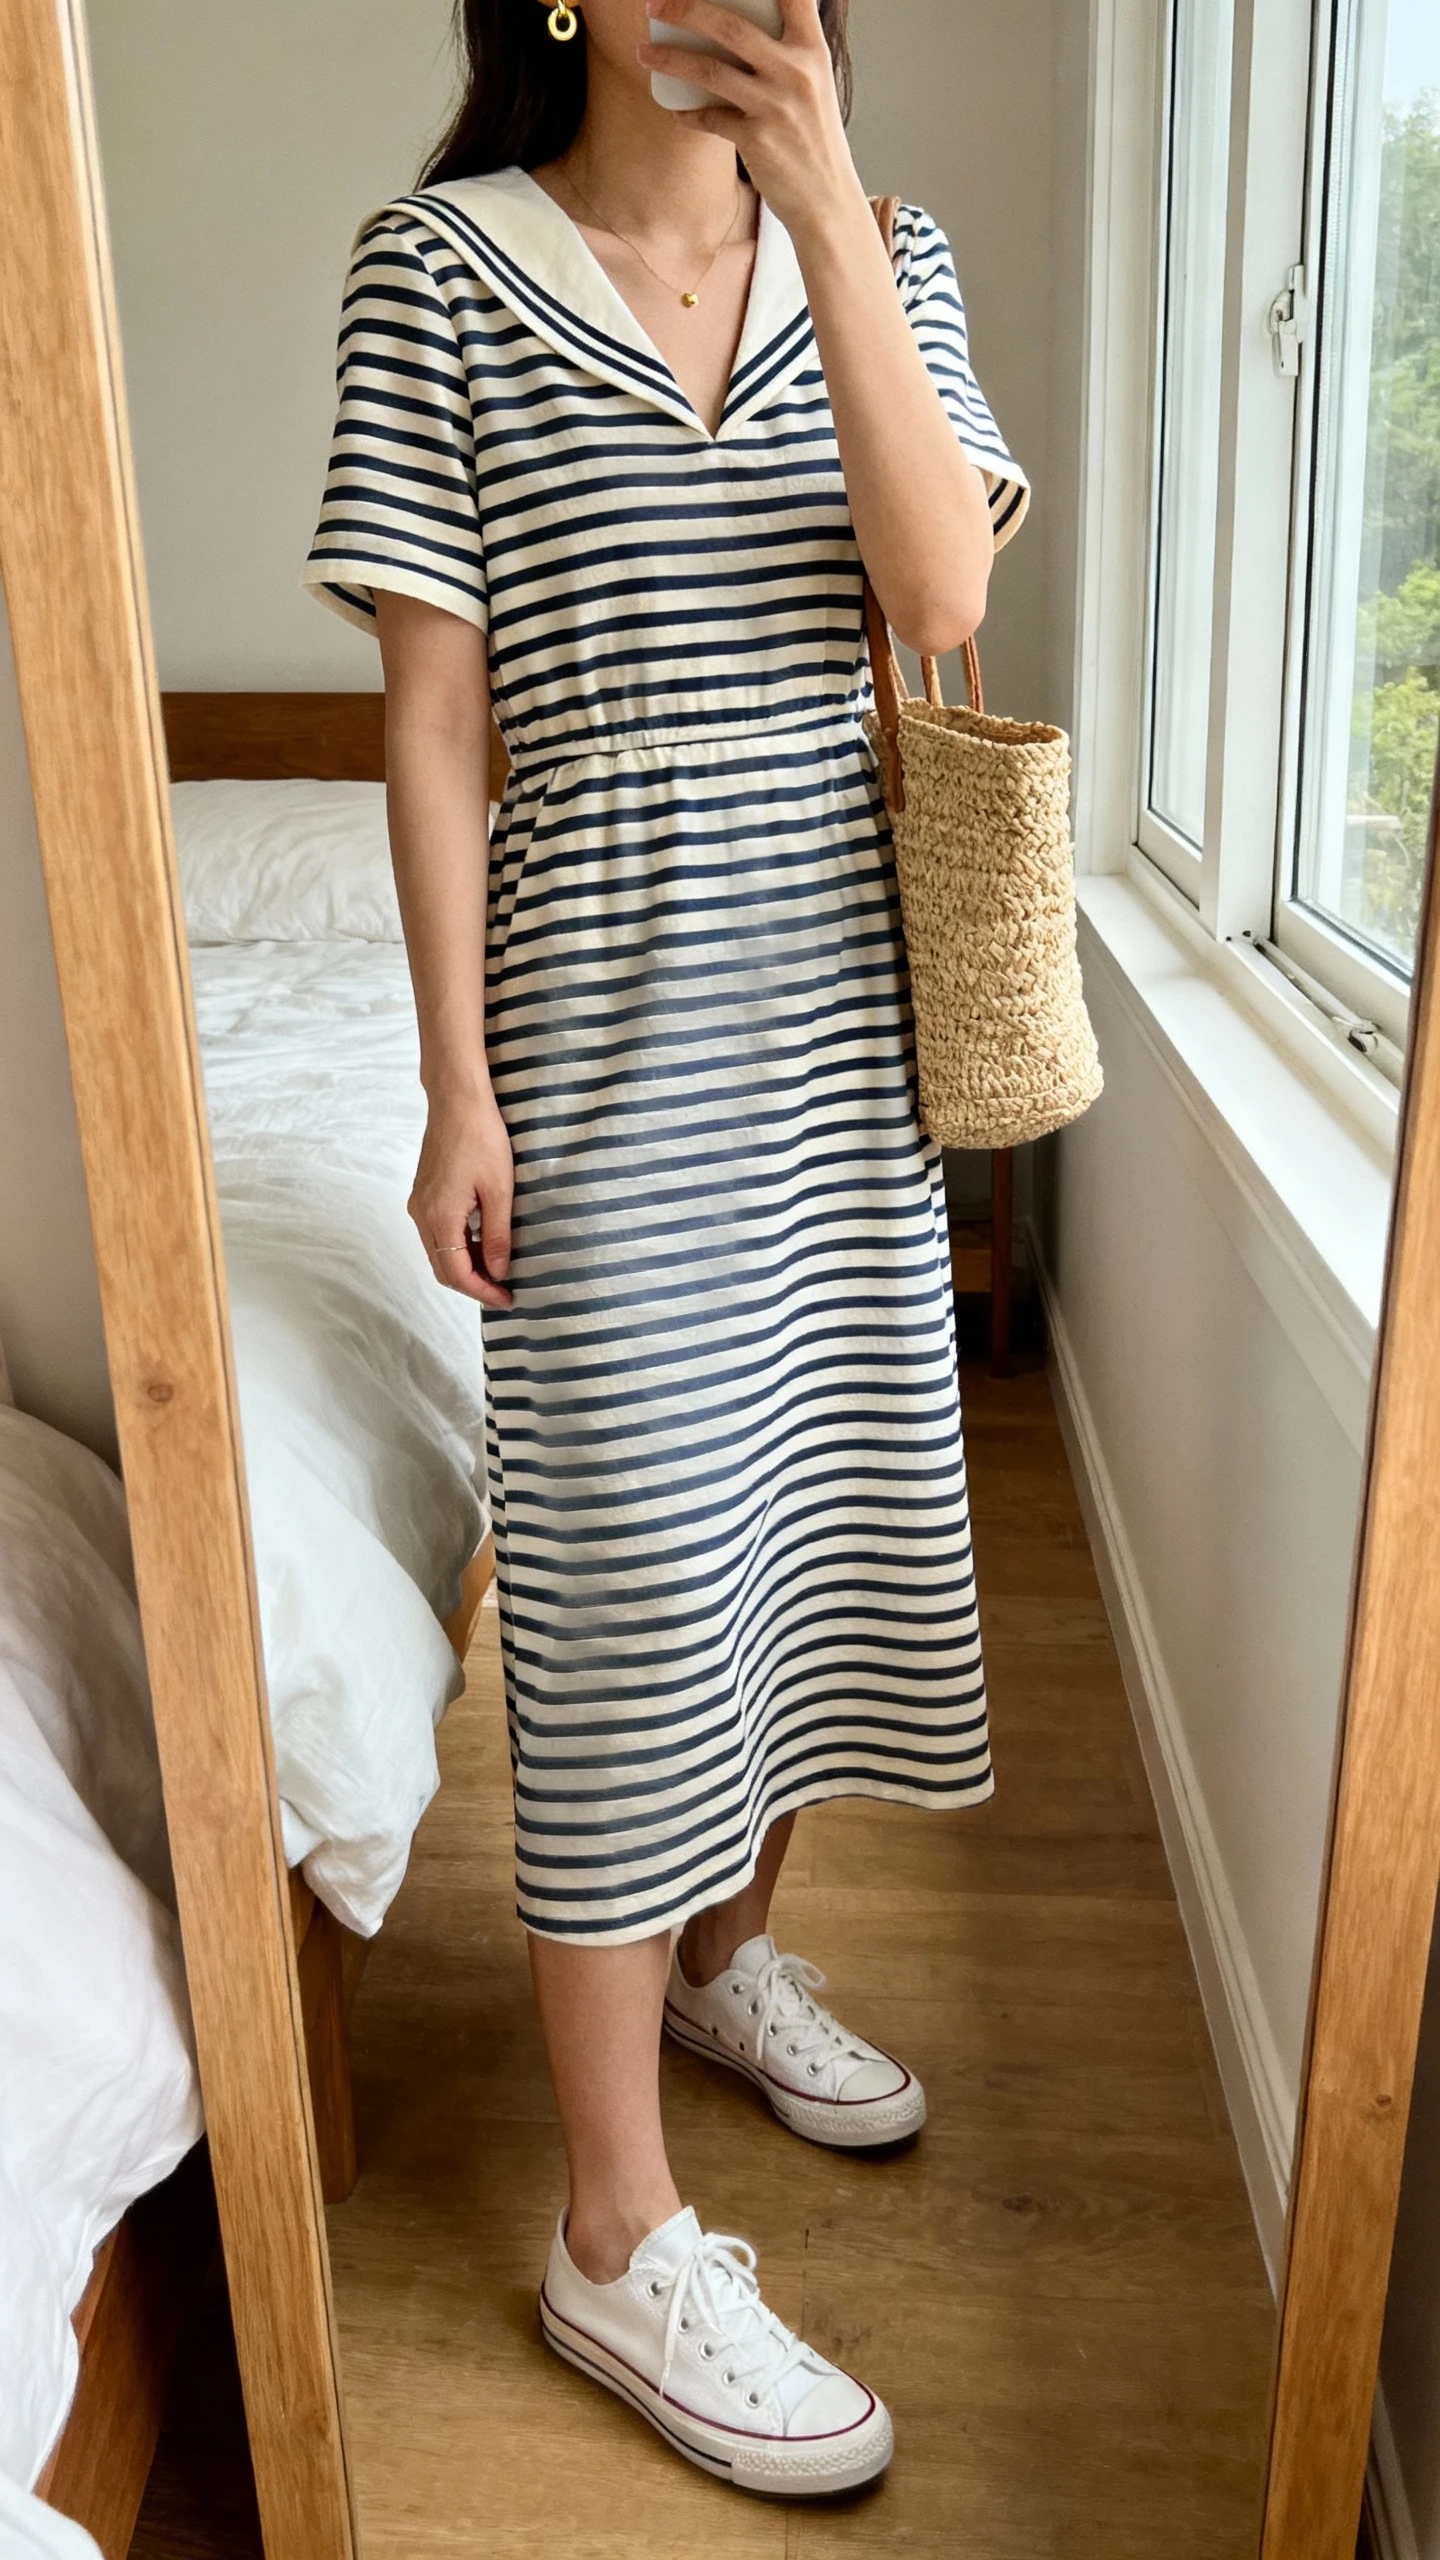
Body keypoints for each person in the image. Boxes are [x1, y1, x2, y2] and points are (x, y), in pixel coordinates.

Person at [305, 0, 1027, 2498]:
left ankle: (724, 1963)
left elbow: (936, 592)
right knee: (623, 1592)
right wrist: (457, 1082)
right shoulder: (438, 271)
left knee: (813, 1536)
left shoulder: (891, 253)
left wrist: (830, 214)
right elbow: (431, 726)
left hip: (845, 1029)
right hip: (600, 1033)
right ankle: (615, 2234)